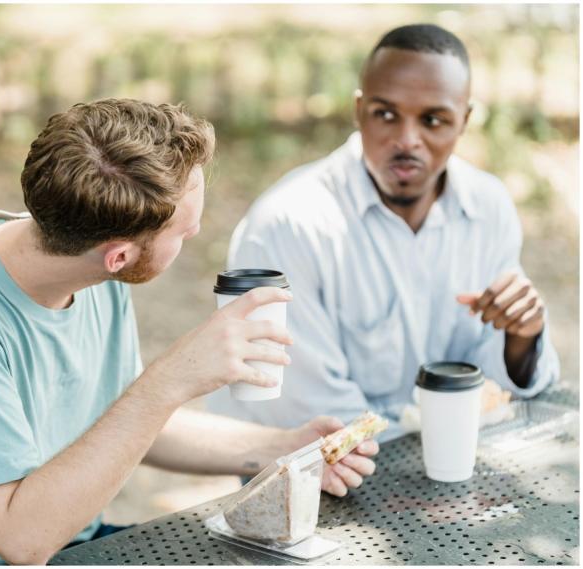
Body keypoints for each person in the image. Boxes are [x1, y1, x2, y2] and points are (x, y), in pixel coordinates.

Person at [0, 99, 379, 565]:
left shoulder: (88, 264)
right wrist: (168, 380)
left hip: (81, 544)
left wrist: (283, 447)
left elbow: (123, 425)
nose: (196, 234)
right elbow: (20, 541)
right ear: (121, 255)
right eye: (185, 231)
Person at [207, 24, 559, 441]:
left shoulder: (488, 206)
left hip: (440, 459)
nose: (407, 140)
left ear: (463, 121)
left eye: (433, 120)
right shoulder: (288, 225)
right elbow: (307, 416)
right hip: (310, 471)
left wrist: (521, 340)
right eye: (386, 114)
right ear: (359, 111)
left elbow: (491, 385)